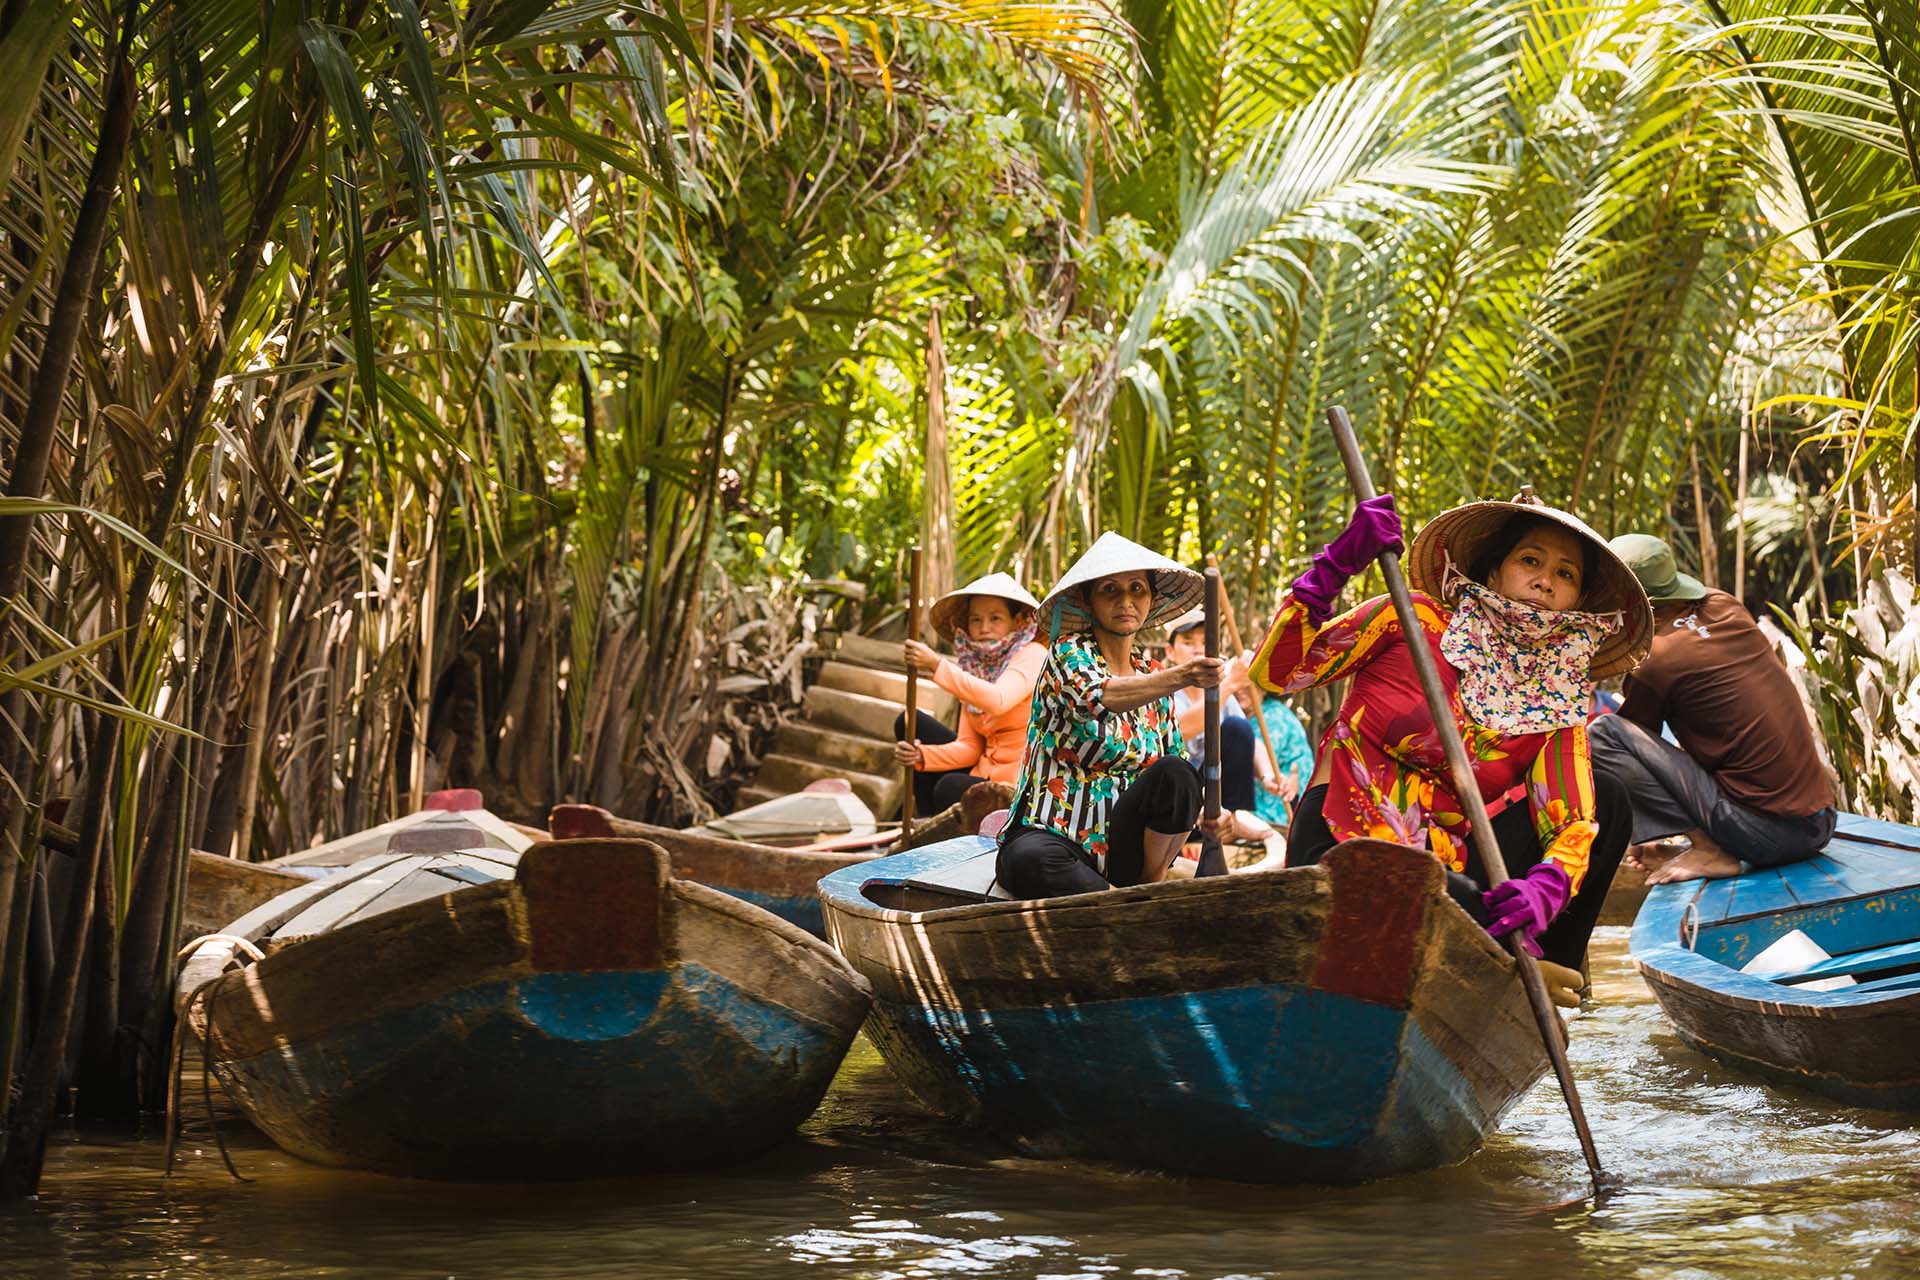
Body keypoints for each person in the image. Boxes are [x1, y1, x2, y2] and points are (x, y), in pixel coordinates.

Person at [1250, 491, 1649, 969]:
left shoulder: (1555, 688)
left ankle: (1549, 975)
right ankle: (1504, 954)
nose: (1544, 581)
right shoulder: (1412, 617)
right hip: (1347, 835)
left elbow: (1574, 818)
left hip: (1446, 866)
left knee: (1608, 796)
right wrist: (1335, 566)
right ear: (1493, 571)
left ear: (1577, 600)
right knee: (1445, 900)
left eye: (1565, 574)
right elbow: (1279, 671)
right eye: (1530, 560)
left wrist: (1548, 886)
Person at [1588, 534, 1837, 884]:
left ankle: (1708, 849)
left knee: (1603, 733)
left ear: (1628, 604)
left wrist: (1645, 831)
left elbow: (1632, 744)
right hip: (1821, 821)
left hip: (1770, 836)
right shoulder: (1724, 604)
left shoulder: (1657, 660)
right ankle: (1702, 844)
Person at [997, 534, 1234, 898]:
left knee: (1178, 773)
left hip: (1127, 853)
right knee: (1027, 860)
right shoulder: (1068, 653)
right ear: (1089, 602)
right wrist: (1183, 675)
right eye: (1110, 590)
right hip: (1054, 837)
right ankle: (1122, 903)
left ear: (1151, 599)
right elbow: (1099, 695)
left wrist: (1214, 815)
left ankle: (1145, 889)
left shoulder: (1150, 671)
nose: (1125, 601)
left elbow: (1179, 772)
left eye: (1137, 589)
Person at [893, 572, 1046, 816]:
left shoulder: (1033, 653)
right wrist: (921, 755)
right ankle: (928, 825)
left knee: (950, 788)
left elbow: (998, 700)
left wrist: (936, 665)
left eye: (995, 618)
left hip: (1019, 786)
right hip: (981, 775)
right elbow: (969, 748)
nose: (984, 628)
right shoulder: (974, 667)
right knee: (909, 722)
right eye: (976, 620)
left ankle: (937, 829)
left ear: (1017, 621)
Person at [1162, 608, 1278, 845]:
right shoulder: (1162, 689)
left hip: (1215, 792)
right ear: (1170, 652)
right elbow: (1177, 731)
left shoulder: (1220, 692)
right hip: (1178, 797)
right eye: (1187, 642)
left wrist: (1268, 775)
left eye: (1206, 642)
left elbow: (1248, 739)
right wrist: (1230, 683)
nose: (1197, 649)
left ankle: (1236, 817)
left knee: (1236, 728)